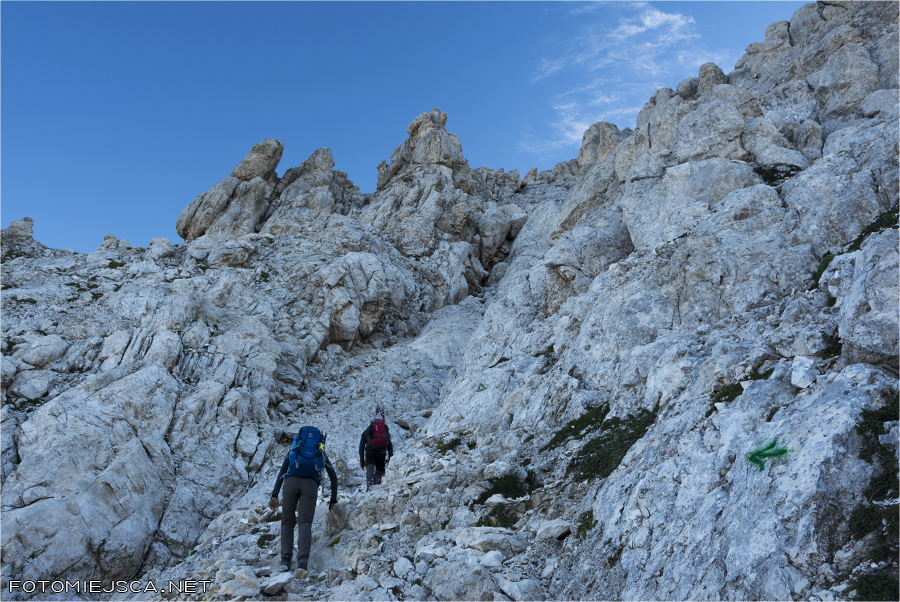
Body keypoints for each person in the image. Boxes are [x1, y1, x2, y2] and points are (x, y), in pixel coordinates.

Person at [269, 426, 338, 571]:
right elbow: (333, 476)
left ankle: (286, 559)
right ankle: (302, 559)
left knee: (287, 521)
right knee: (305, 522)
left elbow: (282, 472)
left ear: (301, 438)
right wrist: (333, 499)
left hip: (291, 483)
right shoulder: (320, 453)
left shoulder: (295, 450)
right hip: (310, 485)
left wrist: (274, 495)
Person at [359, 408, 394, 490]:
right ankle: (378, 488)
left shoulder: (367, 431)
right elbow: (389, 444)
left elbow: (361, 446)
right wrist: (390, 457)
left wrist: (361, 460)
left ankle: (370, 487)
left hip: (370, 451)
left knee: (370, 470)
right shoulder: (384, 431)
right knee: (379, 471)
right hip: (382, 451)